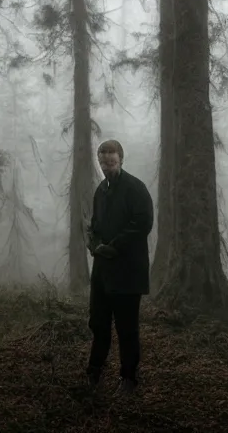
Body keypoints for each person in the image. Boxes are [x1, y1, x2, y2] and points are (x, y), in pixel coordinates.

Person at [85, 139, 154, 394]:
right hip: (103, 273)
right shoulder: (101, 191)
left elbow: (143, 223)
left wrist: (114, 246)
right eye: (103, 161)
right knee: (99, 323)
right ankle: (94, 372)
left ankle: (129, 379)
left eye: (111, 161)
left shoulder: (136, 188)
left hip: (128, 271)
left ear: (121, 159)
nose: (107, 166)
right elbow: (94, 224)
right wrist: (93, 242)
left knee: (127, 328)